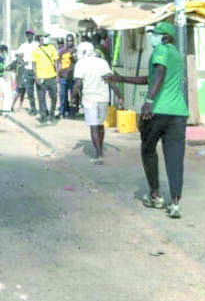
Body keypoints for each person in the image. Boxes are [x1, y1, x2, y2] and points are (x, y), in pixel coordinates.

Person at [107, 22, 188, 219]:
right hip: (178, 113)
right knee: (175, 157)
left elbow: (158, 72)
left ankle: (156, 195)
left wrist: (149, 101)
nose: (153, 37)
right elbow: (150, 78)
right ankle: (175, 203)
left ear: (165, 37)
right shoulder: (177, 55)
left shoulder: (161, 50)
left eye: (156, 34)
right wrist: (122, 79)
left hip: (157, 111)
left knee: (148, 150)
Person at [73, 43, 122, 163]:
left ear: (84, 51)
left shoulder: (80, 64)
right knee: (100, 125)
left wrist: (73, 96)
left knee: (93, 126)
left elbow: (78, 83)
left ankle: (98, 154)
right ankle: (100, 148)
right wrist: (120, 97)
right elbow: (111, 81)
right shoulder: (102, 62)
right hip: (103, 98)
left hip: (90, 98)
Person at [31, 32, 59, 125]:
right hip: (41, 77)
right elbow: (33, 64)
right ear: (40, 39)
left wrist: (57, 75)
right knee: (41, 98)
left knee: (54, 97)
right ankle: (43, 116)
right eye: (45, 37)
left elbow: (56, 62)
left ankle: (52, 114)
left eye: (47, 37)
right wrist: (36, 77)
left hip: (52, 76)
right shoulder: (36, 50)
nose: (47, 39)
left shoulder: (52, 48)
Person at [16, 29, 37, 114]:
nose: (29, 36)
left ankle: (43, 110)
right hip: (27, 70)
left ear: (33, 35)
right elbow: (17, 54)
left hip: (37, 70)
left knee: (40, 90)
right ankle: (33, 109)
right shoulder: (23, 46)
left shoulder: (36, 45)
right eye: (27, 34)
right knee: (29, 91)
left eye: (30, 34)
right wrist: (21, 61)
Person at [58, 33, 77, 118]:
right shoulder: (62, 51)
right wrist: (58, 75)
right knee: (63, 95)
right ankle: (63, 111)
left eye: (71, 41)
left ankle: (72, 112)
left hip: (72, 77)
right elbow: (58, 62)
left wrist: (73, 57)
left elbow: (77, 62)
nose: (70, 42)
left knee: (73, 95)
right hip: (63, 77)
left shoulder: (75, 50)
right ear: (66, 41)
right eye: (68, 41)